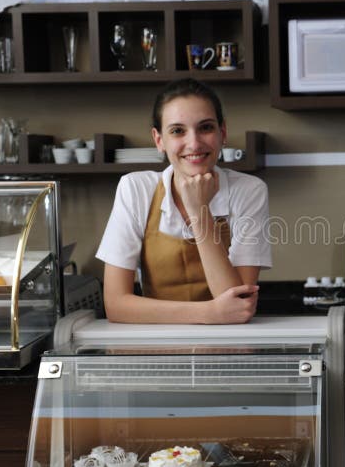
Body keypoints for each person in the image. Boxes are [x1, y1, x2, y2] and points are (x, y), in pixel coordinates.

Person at [96, 79, 271, 324]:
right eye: (178, 131)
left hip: (229, 351)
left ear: (222, 133)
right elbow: (115, 305)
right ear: (159, 140)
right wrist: (211, 313)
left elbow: (238, 308)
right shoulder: (135, 189)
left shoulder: (249, 191)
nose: (194, 143)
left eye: (206, 128)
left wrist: (198, 210)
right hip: (157, 350)